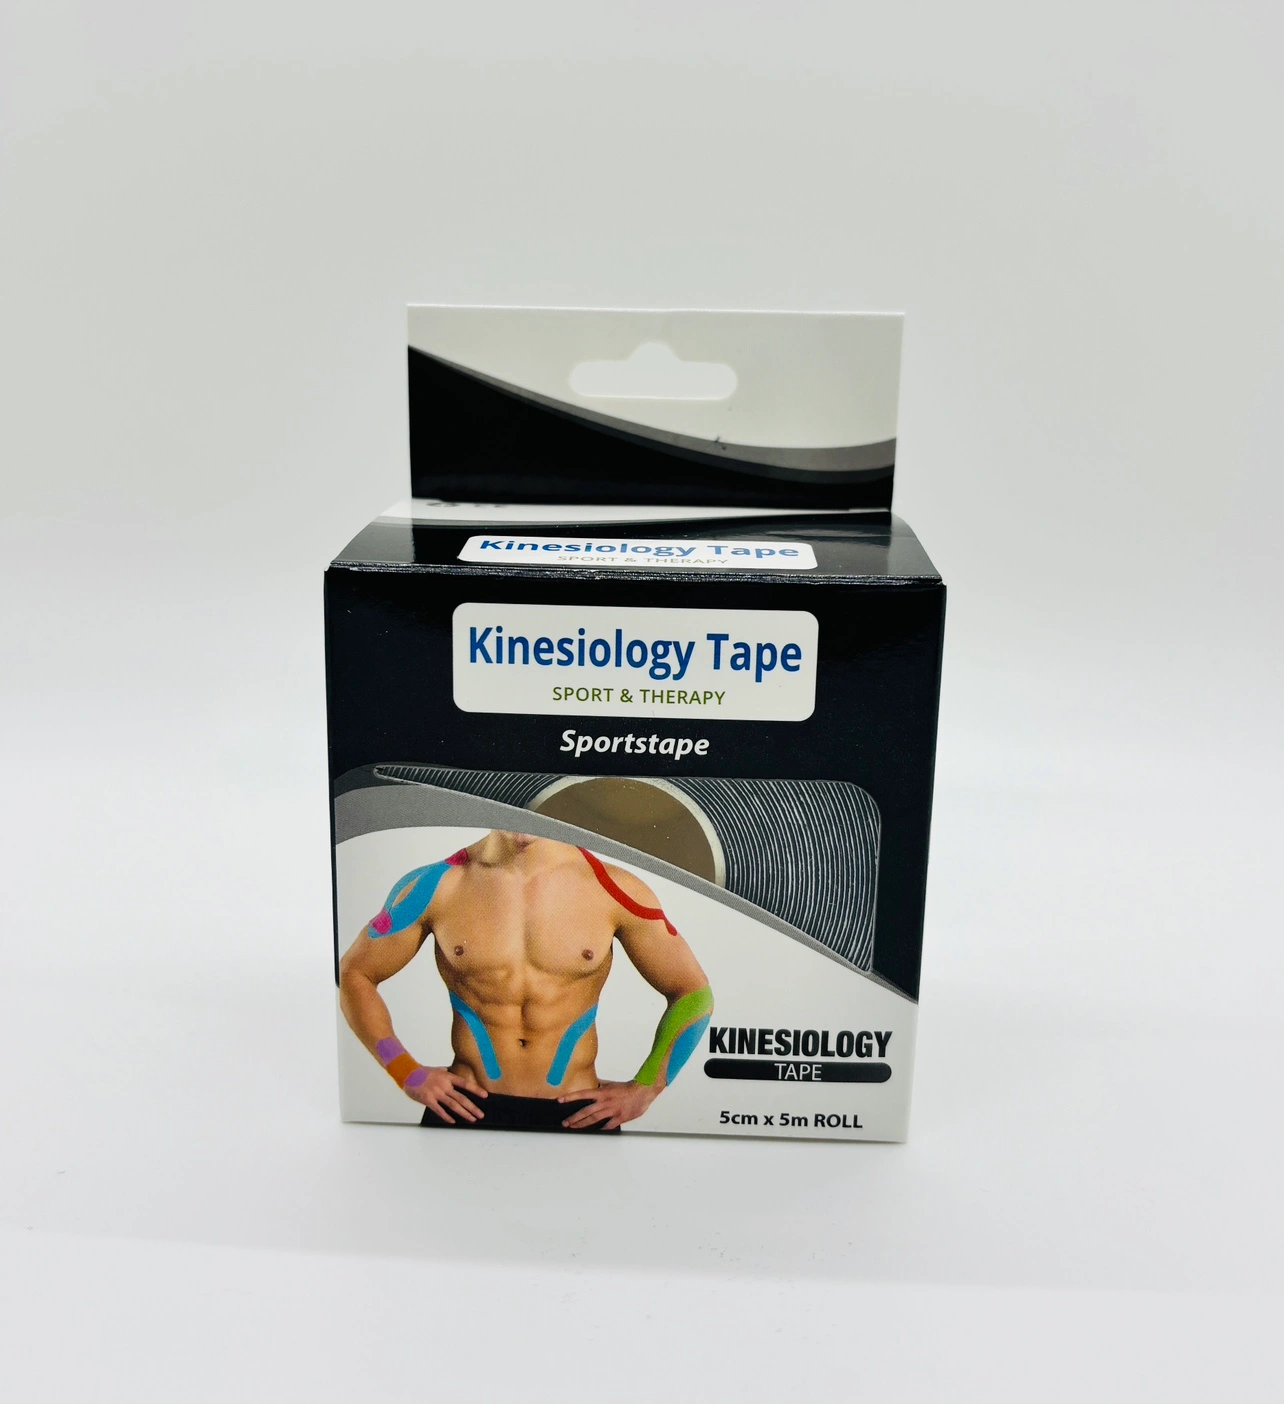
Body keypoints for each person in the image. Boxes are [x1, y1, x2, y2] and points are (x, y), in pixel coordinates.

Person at [338, 831, 713, 1132]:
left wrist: (647, 1086)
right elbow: (356, 974)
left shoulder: (614, 889)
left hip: (579, 1111)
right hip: (464, 1107)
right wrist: (403, 1069)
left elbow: (693, 993)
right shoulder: (436, 885)